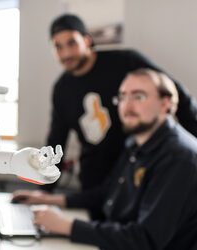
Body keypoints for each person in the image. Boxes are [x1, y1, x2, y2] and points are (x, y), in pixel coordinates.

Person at [25, 14, 197, 219]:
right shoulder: (62, 88)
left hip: (135, 171)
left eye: (71, 43)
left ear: (87, 40)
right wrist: (46, 192)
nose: (66, 52)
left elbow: (176, 95)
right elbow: (56, 142)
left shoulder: (125, 62)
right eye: (58, 46)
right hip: (95, 182)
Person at [14, 68, 197, 250]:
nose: (127, 106)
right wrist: (51, 200)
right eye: (122, 97)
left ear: (165, 103)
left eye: (138, 97)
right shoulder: (137, 141)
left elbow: (145, 239)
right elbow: (107, 194)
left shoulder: (179, 157)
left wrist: (67, 226)